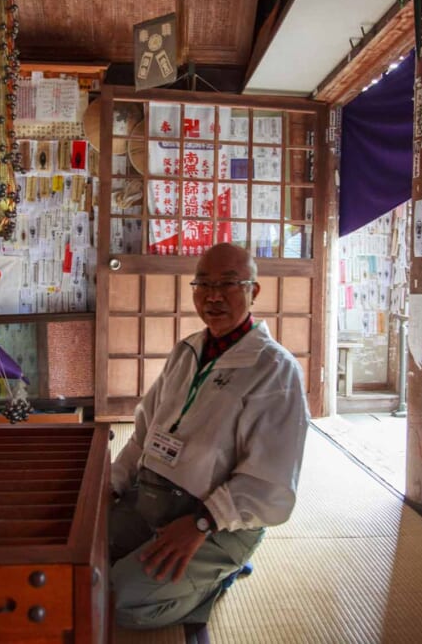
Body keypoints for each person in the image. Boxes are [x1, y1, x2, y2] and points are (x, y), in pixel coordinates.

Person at [109, 242, 310, 629]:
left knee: (119, 601)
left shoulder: (275, 370)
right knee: (83, 567)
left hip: (214, 520)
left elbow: (270, 481)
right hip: (151, 499)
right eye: (203, 284)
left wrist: (202, 523)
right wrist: (113, 484)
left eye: (229, 284)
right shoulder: (186, 352)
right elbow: (142, 435)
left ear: (254, 290)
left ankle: (216, 578)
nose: (213, 295)